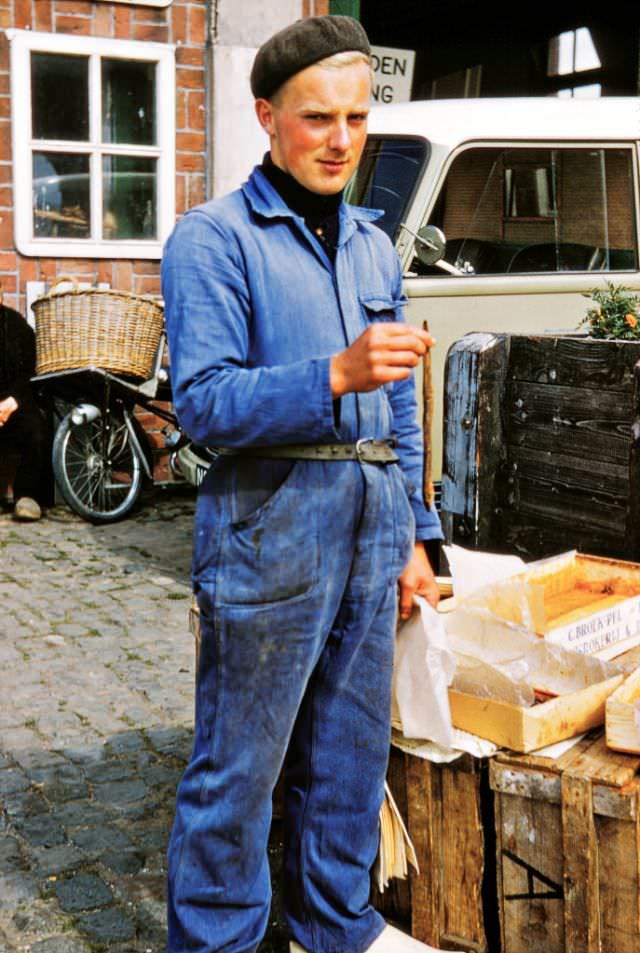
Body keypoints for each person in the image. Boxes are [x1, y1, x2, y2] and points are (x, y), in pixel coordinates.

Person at [162, 15, 454, 953]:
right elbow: (202, 405)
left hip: (372, 526)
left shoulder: (372, 246)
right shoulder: (212, 240)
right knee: (239, 767)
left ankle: (339, 927)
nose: (341, 140)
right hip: (270, 526)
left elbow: (400, 405)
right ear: (266, 118)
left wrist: (414, 532)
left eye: (358, 119)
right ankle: (217, 940)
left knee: (348, 754)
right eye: (318, 118)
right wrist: (333, 373)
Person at [0, 299, 50, 521]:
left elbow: (29, 371)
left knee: (35, 428)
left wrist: (12, 402)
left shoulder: (17, 325)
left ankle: (27, 496)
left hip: (14, 402)